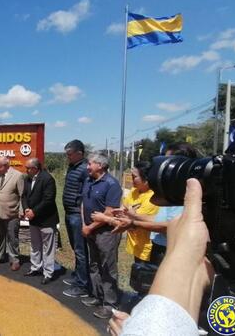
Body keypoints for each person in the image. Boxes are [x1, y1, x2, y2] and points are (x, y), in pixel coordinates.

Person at [108, 179, 214, 335]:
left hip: (173, 249)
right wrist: (139, 328)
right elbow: (162, 221)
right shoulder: (168, 201)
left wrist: (141, 329)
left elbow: (167, 224)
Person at [79, 154, 123, 319]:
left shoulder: (112, 184)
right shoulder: (89, 180)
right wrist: (84, 225)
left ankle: (110, 304)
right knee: (94, 264)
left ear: (100, 165)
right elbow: (84, 203)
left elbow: (109, 212)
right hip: (89, 230)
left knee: (107, 267)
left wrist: (90, 227)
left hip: (106, 233)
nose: (88, 167)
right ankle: (97, 297)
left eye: (90, 163)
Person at [21, 158, 59, 284]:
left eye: (28, 168)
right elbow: (24, 196)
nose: (26, 170)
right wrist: (26, 209)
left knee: (48, 247)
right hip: (33, 219)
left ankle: (48, 273)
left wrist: (34, 212)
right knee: (35, 244)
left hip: (46, 219)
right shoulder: (27, 178)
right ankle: (35, 267)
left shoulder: (47, 179)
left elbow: (48, 200)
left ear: (35, 168)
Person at [61, 139, 91, 298]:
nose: (68, 157)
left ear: (79, 153)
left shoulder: (86, 169)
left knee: (81, 251)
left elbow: (86, 193)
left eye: (69, 154)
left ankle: (83, 285)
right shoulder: (73, 167)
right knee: (75, 248)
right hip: (69, 212)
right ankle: (78, 275)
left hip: (77, 215)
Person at [0, 157, 25, 271]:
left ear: (6, 165)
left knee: (13, 237)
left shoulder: (18, 175)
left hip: (12, 212)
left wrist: (22, 211)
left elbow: (22, 195)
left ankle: (15, 260)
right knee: (0, 236)